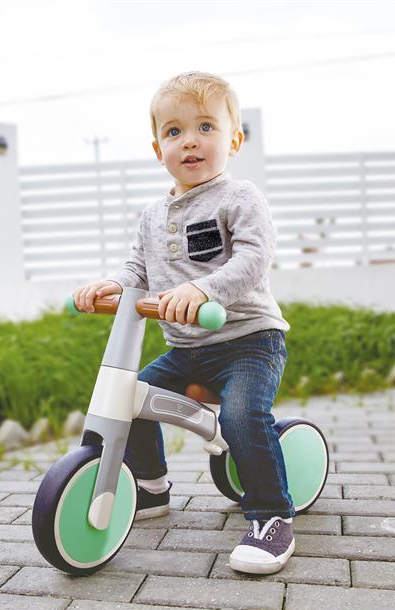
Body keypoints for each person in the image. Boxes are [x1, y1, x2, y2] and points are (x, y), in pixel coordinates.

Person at [72, 71, 294, 575]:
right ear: (158, 150)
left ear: (233, 141)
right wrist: (111, 285)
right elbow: (138, 268)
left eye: (205, 128)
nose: (189, 140)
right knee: (133, 395)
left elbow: (253, 260)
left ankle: (271, 515)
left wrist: (203, 289)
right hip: (186, 347)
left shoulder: (240, 198)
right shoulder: (152, 215)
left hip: (247, 342)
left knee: (241, 416)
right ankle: (150, 486)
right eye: (174, 132)